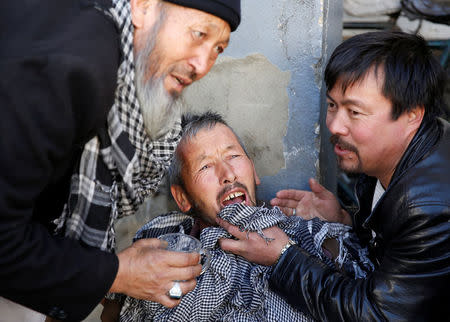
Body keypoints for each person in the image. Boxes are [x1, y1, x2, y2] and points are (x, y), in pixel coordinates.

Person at [0, 0, 240, 320]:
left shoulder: (91, 38)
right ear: (142, 7)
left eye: (218, 48)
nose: (202, 64)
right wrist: (120, 274)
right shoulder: (78, 64)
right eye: (198, 34)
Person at [218, 30, 450, 320]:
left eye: (354, 112)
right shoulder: (393, 152)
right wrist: (347, 219)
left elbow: (377, 314)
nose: (335, 125)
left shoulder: (429, 207)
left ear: (412, 115)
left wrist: (283, 257)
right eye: (332, 106)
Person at [109, 112, 373, 321]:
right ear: (183, 199)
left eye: (233, 156)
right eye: (205, 166)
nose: (228, 174)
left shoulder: (307, 234)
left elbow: (367, 302)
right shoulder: (163, 252)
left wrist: (340, 221)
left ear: (254, 172)